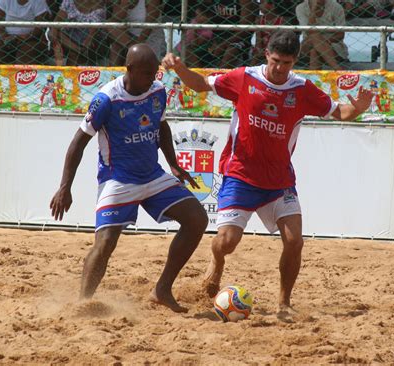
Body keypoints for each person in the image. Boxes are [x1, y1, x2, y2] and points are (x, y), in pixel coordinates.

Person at [162, 30, 372, 314]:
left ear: (294, 61)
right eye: (275, 61)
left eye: (286, 63)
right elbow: (200, 84)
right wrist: (179, 67)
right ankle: (217, 262)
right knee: (227, 243)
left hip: (279, 180)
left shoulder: (302, 90)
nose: (279, 68)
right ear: (266, 55)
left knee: (295, 240)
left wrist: (358, 108)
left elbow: (340, 112)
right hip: (240, 174)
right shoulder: (245, 77)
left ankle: (284, 303)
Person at [50, 44, 208, 313]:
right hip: (117, 179)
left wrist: (174, 164)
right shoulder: (106, 99)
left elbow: (161, 126)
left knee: (197, 219)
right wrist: (65, 187)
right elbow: (78, 142)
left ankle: (162, 289)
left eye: (155, 72)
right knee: (106, 243)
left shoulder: (157, 90)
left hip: (152, 175)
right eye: (146, 73)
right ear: (130, 70)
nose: (152, 78)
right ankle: (83, 302)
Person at [0, 0, 50, 65]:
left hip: (32, 39)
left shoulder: (38, 2)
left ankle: (25, 74)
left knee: (24, 55)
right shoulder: (5, 1)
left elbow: (39, 27)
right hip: (8, 37)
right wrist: (5, 37)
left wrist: (24, 38)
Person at [108, 0, 166, 66]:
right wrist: (125, 4)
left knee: (134, 61)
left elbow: (149, 25)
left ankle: (133, 50)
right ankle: (113, 74)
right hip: (127, 40)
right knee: (115, 45)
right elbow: (114, 21)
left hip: (148, 39)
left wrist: (137, 47)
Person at [50, 0, 107, 66]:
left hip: (91, 39)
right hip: (70, 36)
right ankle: (77, 50)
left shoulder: (99, 6)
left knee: (73, 53)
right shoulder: (69, 2)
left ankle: (69, 72)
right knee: (56, 33)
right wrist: (54, 37)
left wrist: (85, 44)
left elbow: (93, 33)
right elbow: (57, 20)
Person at [295, 0, 349, 70]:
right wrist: (313, 12)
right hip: (308, 44)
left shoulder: (336, 7)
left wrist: (323, 42)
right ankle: (337, 69)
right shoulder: (301, 8)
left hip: (333, 45)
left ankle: (313, 78)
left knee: (314, 52)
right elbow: (309, 32)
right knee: (314, 36)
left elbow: (340, 35)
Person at [251, 0, 285, 66]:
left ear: (272, 6)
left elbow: (278, 40)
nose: (259, 5)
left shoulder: (281, 20)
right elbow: (258, 38)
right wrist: (259, 50)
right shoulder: (259, 19)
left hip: (275, 48)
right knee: (255, 57)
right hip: (262, 48)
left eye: (262, 3)